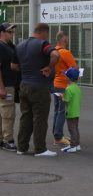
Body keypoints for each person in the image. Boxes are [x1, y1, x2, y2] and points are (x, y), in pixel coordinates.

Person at [14, 23, 60, 157]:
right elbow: (56, 55)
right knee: (40, 118)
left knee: (25, 117)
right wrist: (49, 68)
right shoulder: (43, 44)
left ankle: (21, 147)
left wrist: (27, 70)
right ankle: (40, 149)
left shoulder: (20, 45)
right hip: (39, 86)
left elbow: (13, 66)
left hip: (24, 85)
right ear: (44, 32)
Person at [52, 31, 77, 147]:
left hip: (55, 83)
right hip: (63, 85)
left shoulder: (54, 51)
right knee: (62, 111)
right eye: (67, 37)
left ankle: (57, 134)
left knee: (57, 110)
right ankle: (58, 137)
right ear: (64, 39)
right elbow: (75, 68)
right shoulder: (65, 53)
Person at [0, 23, 18, 151]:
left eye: (13, 32)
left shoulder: (9, 46)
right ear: (2, 32)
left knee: (4, 113)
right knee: (8, 113)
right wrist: (1, 87)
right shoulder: (1, 47)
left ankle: (2, 139)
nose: (12, 34)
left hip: (9, 84)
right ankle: (8, 140)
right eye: (9, 31)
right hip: (6, 85)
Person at [57, 67, 82, 153]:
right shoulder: (77, 88)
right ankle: (77, 144)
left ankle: (73, 146)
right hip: (77, 111)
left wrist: (61, 97)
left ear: (68, 78)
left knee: (72, 129)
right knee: (75, 128)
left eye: (66, 76)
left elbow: (66, 101)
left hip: (70, 112)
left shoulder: (68, 89)